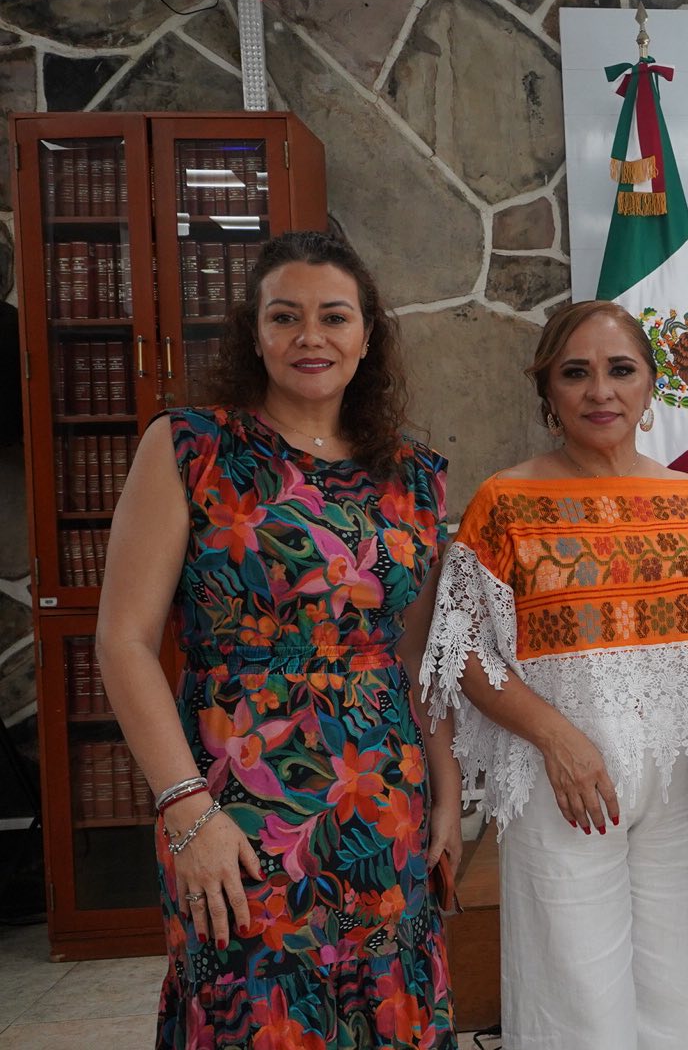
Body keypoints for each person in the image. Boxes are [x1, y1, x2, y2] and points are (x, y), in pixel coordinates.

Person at [96, 231, 460, 1047]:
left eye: (334, 316)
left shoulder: (416, 475)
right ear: (253, 332)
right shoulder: (190, 448)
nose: (310, 336)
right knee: (253, 1012)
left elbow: (410, 653)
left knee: (385, 1005)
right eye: (285, 315)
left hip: (383, 799)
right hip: (235, 799)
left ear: (367, 336)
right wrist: (187, 810)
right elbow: (122, 640)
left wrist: (445, 784)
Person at [420, 299, 688, 1050]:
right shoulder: (504, 502)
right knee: (575, 1000)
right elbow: (457, 651)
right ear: (548, 393)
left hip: (677, 792)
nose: (601, 391)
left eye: (620, 370)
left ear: (650, 387)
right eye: (577, 373)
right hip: (558, 780)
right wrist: (558, 738)